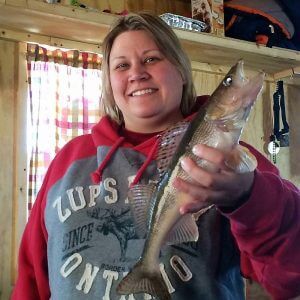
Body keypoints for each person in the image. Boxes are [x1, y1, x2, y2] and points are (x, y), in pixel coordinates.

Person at [12, 12, 300, 300]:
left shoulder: (232, 163)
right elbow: (30, 279)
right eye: (122, 65)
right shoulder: (69, 160)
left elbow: (289, 277)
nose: (137, 73)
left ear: (181, 71)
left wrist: (246, 197)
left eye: (151, 59)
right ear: (109, 84)